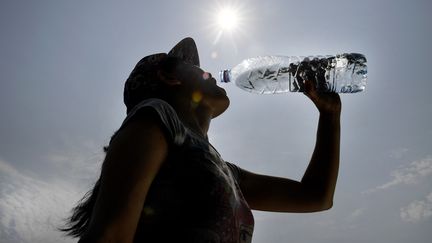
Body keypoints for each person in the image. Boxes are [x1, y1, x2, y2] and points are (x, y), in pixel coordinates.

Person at [61, 37, 341, 243]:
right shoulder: (154, 121)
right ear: (170, 78)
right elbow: (109, 236)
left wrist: (329, 115)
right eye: (196, 68)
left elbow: (316, 197)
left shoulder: (224, 170)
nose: (209, 74)